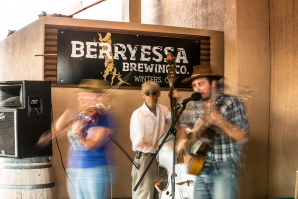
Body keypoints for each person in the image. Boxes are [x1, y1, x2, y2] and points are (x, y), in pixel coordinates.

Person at [175, 65, 250, 199]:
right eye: (194, 86)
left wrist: (222, 122)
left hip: (223, 168)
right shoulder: (195, 105)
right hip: (198, 166)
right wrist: (183, 138)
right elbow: (183, 126)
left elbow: (242, 137)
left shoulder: (231, 102)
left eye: (201, 84)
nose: (196, 89)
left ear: (213, 83)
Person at [54, 79, 116, 199]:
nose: (81, 98)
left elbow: (91, 145)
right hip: (75, 169)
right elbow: (58, 127)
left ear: (96, 96)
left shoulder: (103, 118)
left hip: (95, 170)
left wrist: (78, 133)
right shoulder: (81, 116)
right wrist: (67, 113)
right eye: (79, 95)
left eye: (85, 95)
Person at [130, 81, 171, 199]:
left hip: (162, 161)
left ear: (159, 93)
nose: (151, 96)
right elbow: (139, 143)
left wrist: (176, 102)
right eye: (148, 93)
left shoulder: (162, 109)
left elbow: (176, 120)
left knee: (161, 195)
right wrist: (162, 148)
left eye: (154, 93)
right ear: (143, 94)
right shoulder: (138, 114)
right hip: (145, 159)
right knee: (144, 196)